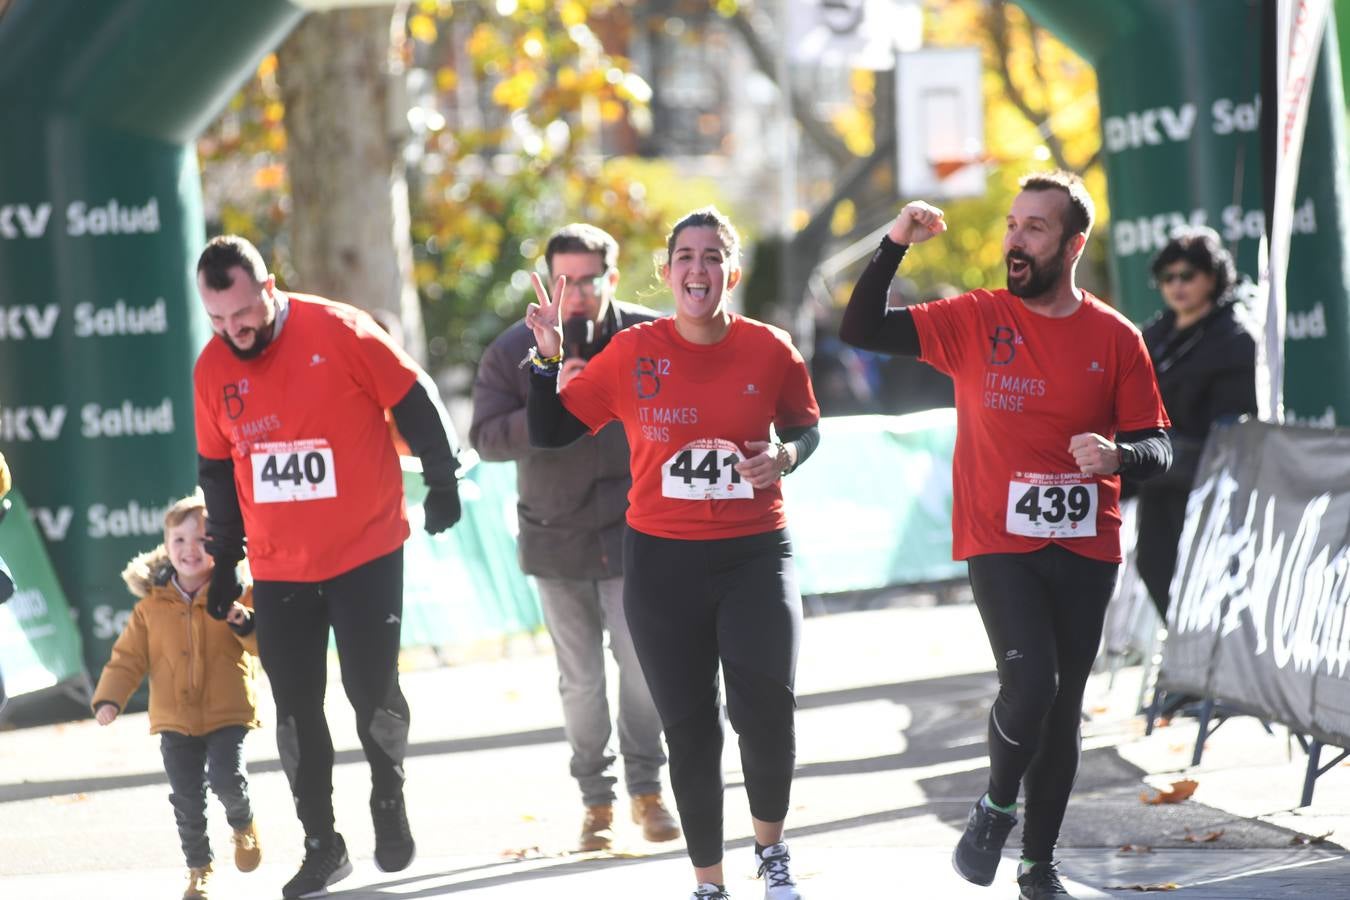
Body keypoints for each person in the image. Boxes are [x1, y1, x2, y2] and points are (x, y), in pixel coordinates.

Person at [840, 172, 1172, 900]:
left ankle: (1038, 864)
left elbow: (1159, 447)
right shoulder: (975, 317)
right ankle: (996, 804)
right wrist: (895, 244)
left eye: (1035, 229)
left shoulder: (1115, 337)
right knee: (1032, 685)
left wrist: (1119, 457)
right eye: (1013, 225)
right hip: (998, 539)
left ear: (1073, 244)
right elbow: (859, 329)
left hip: (1086, 547)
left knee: (1062, 708)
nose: (1015, 241)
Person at [526, 207, 821, 900]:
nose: (698, 268)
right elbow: (552, 431)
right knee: (689, 729)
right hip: (662, 564)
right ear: (665, 273)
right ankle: (708, 883)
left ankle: (772, 852)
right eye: (685, 256)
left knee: (767, 708)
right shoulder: (633, 353)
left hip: (755, 556)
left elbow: (808, 428)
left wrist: (784, 455)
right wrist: (545, 357)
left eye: (713, 256)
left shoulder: (771, 349)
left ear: (732, 272)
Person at [192, 235, 464, 899]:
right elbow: (218, 473)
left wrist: (442, 475)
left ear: (269, 289)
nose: (235, 331)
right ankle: (322, 844)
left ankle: (388, 796)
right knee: (293, 712)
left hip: (365, 551)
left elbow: (415, 397)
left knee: (372, 694)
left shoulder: (339, 328)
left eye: (243, 314)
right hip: (282, 567)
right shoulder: (211, 371)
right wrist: (225, 560)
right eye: (219, 321)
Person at [470, 223, 679, 852]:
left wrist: (611, 398)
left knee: (643, 666)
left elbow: (685, 414)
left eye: (589, 280)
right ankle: (598, 803)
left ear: (612, 278)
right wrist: (549, 398)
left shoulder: (649, 335)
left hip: (636, 528)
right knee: (581, 680)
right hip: (553, 535)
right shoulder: (513, 349)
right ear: (548, 283)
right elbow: (483, 437)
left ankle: (648, 790)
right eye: (565, 283)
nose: (578, 295)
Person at [91, 491, 262, 900]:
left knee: (227, 780)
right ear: (166, 549)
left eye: (203, 540)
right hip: (174, 717)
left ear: (218, 545)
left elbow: (265, 645)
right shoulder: (151, 607)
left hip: (227, 711)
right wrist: (109, 698)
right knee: (186, 799)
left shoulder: (238, 592)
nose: (190, 549)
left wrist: (244, 623)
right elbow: (128, 657)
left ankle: (243, 824)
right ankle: (199, 868)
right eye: (179, 540)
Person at [1131, 227, 1256, 621]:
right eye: (1168, 277)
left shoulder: (1234, 337)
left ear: (1213, 276)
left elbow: (1233, 423)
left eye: (1188, 275)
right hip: (1158, 475)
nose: (1177, 285)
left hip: (1209, 480)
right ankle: (1184, 660)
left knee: (1207, 573)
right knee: (1153, 564)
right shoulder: (1156, 334)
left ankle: (1202, 669)